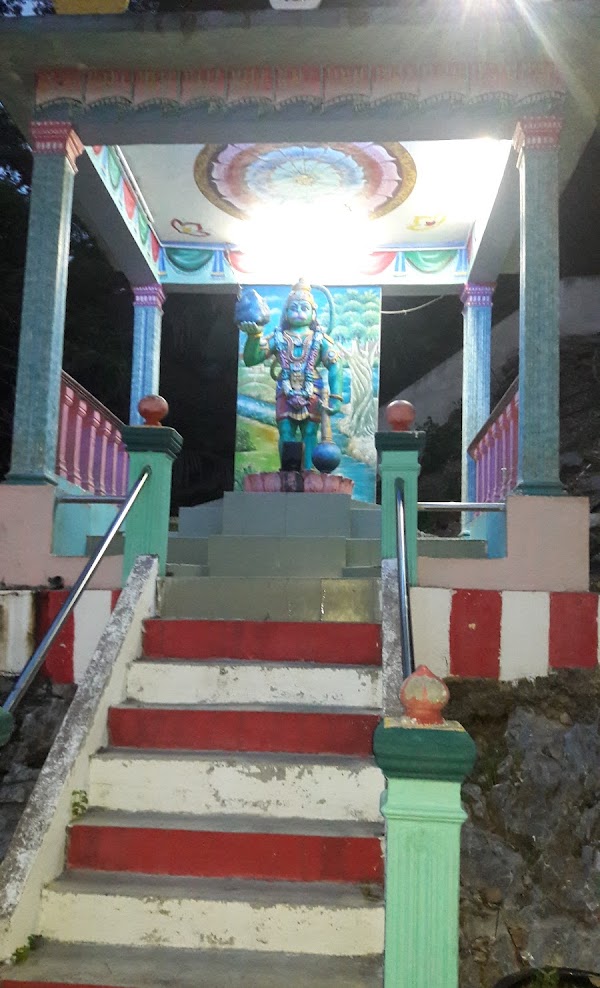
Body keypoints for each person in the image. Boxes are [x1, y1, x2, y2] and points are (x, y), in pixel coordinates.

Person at [238, 279, 344, 470]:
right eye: (293, 308)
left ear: (313, 313)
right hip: (285, 390)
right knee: (286, 430)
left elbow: (336, 364)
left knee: (310, 432)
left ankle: (309, 472)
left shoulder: (319, 338)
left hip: (313, 389)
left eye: (304, 308)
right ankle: (287, 472)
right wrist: (254, 337)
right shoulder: (278, 337)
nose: (299, 312)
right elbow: (252, 359)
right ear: (286, 313)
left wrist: (335, 398)